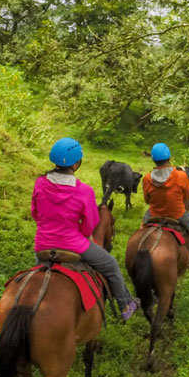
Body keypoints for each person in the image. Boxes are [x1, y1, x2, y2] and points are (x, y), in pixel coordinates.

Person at [31, 137, 140, 321]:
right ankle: (125, 306)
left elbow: (35, 213)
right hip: (74, 244)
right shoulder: (84, 191)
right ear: (76, 163)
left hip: (42, 246)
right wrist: (81, 237)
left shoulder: (40, 183)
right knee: (112, 265)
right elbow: (90, 224)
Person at [141, 142, 189, 267]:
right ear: (169, 158)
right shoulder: (181, 176)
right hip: (177, 213)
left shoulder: (147, 178)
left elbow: (147, 200)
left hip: (154, 213)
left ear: (153, 160)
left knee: (141, 230)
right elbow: (186, 198)